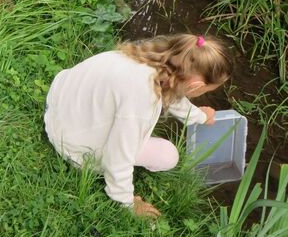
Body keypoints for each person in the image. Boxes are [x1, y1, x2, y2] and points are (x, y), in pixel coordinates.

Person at [44, 34, 233, 218]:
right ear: (195, 86)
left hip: (61, 99)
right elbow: (119, 157)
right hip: (68, 139)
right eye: (207, 90)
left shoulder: (147, 57)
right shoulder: (141, 101)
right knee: (168, 156)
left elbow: (173, 91)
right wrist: (127, 203)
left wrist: (199, 116)